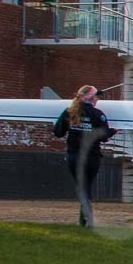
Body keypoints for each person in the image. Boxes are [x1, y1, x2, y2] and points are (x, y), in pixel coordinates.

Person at [52, 84, 114, 228]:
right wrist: (114, 131)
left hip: (74, 156)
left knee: (82, 187)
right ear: (92, 98)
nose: (98, 99)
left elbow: (58, 132)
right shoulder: (98, 114)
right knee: (86, 187)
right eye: (97, 96)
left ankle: (85, 219)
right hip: (92, 157)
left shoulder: (69, 112)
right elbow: (104, 136)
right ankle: (87, 219)